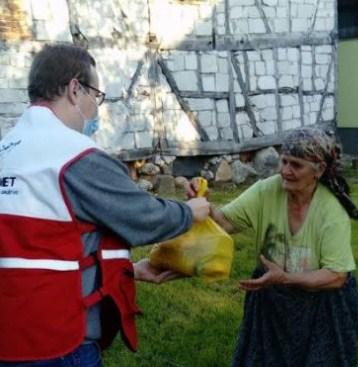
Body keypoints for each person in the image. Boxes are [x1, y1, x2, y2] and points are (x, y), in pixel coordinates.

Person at [0, 44, 209, 367]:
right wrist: (191, 213)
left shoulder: (7, 150)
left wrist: (122, 271)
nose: (97, 109)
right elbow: (143, 217)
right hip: (57, 343)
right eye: (96, 96)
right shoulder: (75, 155)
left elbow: (43, 244)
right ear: (74, 89)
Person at [188, 126, 358, 367]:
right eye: (284, 161)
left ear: (319, 170)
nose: (285, 171)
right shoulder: (266, 191)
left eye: (296, 165)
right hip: (272, 298)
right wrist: (203, 204)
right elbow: (224, 223)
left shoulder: (331, 211)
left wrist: (285, 278)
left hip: (323, 304)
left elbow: (336, 276)